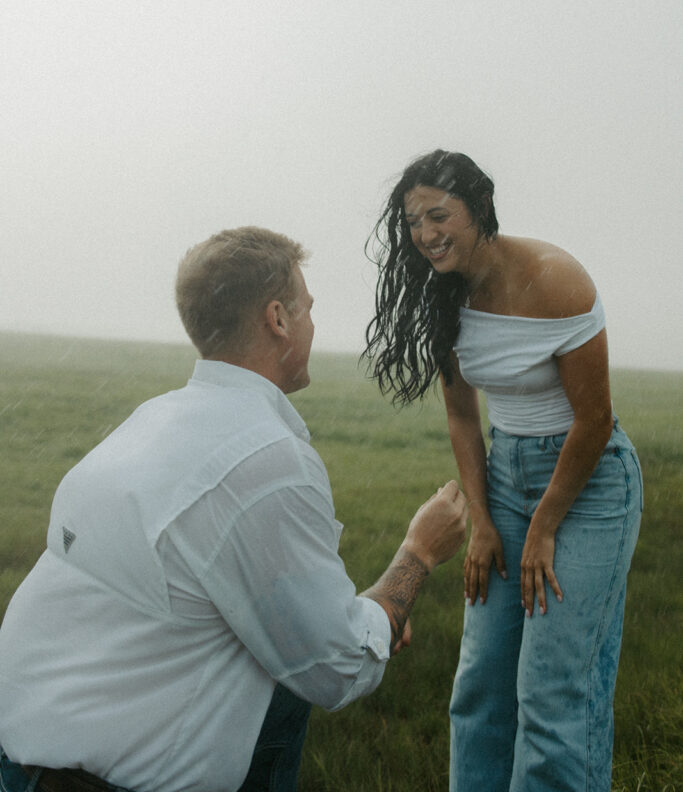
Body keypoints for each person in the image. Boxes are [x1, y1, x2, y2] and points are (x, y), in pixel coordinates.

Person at [0, 225, 468, 792]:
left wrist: (352, 621)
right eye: (308, 308)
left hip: (23, 754)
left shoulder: (153, 419)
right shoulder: (265, 461)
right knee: (301, 677)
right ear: (278, 319)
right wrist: (417, 554)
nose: (314, 324)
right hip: (98, 784)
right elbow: (336, 669)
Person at [364, 150, 643, 792]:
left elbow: (595, 420)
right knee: (481, 682)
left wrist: (544, 526)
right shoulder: (445, 296)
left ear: (479, 208)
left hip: (588, 483)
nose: (426, 234)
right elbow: (464, 418)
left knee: (551, 692)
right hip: (505, 475)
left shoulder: (555, 278)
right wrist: (484, 521)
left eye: (440, 215)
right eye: (414, 221)